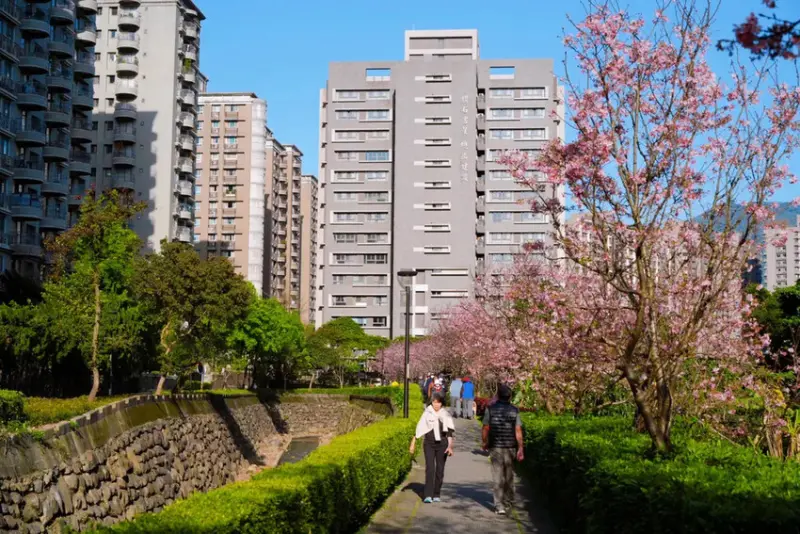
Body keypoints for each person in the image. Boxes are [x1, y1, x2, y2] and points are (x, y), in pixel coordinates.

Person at [481, 384, 524, 515]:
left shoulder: (491, 409)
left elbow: (486, 427)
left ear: (498, 396)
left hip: (496, 446)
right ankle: (509, 501)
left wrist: (484, 441)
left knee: (497, 476)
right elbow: (518, 430)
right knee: (509, 475)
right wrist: (520, 447)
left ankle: (499, 505)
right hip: (510, 446)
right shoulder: (514, 410)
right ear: (510, 396)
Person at [410, 392, 455, 503]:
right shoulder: (427, 413)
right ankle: (427, 495)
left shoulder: (446, 415)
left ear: (441, 403)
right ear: (431, 402)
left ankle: (436, 493)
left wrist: (450, 446)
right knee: (430, 468)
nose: (436, 404)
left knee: (440, 469)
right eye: (434, 402)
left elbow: (449, 433)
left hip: (443, 445)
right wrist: (413, 442)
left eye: (438, 402)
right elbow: (419, 428)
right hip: (429, 444)